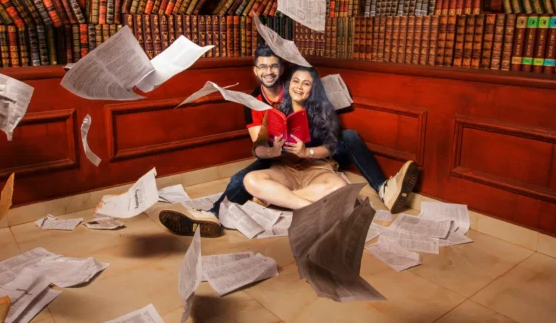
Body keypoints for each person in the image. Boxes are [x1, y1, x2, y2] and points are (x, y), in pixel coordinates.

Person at [158, 45, 419, 236]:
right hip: (279, 157)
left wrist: (309, 150)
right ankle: (214, 214)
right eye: (263, 67)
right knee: (243, 179)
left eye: (273, 66)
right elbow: (258, 149)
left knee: (348, 139)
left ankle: (383, 188)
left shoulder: (301, 89)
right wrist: (273, 150)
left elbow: (327, 134)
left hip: (314, 154)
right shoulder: (254, 101)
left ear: (281, 70)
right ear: (255, 70)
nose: (268, 71)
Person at [241, 66, 348, 209]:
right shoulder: (276, 111)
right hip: (285, 169)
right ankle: (305, 206)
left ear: (313, 88)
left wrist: (306, 152)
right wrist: (272, 151)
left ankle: (278, 198)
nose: (299, 87)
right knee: (250, 180)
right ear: (289, 84)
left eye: (306, 83)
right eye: (295, 81)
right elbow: (258, 148)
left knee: (340, 186)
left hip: (316, 168)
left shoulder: (324, 112)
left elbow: (330, 147)